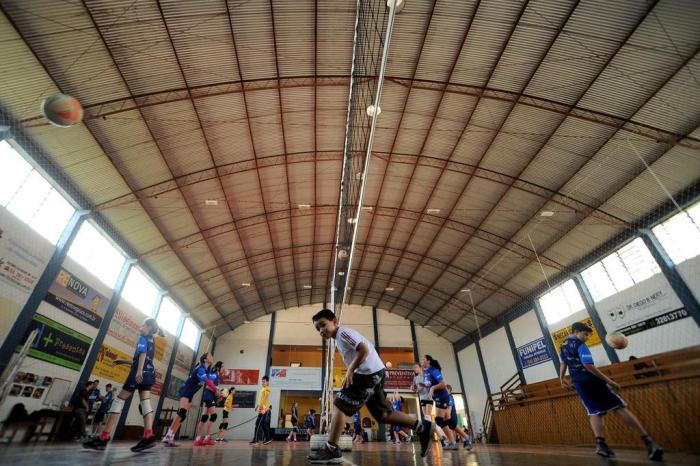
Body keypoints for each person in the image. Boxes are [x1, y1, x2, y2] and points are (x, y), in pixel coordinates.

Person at [306, 309, 435, 463]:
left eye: (323, 325)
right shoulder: (340, 337)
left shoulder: (342, 333)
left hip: (367, 374)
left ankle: (331, 449)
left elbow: (364, 350)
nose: (321, 330)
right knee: (383, 415)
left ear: (334, 321)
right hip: (376, 373)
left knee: (339, 406)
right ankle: (422, 427)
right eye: (317, 328)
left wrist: (350, 370)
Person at [559, 322, 663, 461]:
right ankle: (649, 442)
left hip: (579, 383)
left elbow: (563, 362)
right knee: (619, 407)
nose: (587, 338)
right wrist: (609, 380)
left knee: (595, 412)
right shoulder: (580, 345)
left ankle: (601, 445)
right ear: (576, 331)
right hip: (593, 381)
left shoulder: (563, 344)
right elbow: (588, 365)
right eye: (585, 334)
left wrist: (561, 378)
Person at [83, 318, 164, 452]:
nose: (140, 327)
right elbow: (142, 358)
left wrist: (138, 371)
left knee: (118, 401)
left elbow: (142, 355)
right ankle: (148, 436)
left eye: (143, 325)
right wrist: (123, 361)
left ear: (149, 327)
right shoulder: (152, 340)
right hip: (149, 373)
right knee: (145, 403)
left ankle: (103, 437)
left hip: (139, 373)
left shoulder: (143, 338)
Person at [162, 352, 217, 447]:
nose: (212, 357)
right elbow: (207, 381)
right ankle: (168, 436)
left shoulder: (207, 370)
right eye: (210, 356)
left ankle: (170, 436)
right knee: (182, 412)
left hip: (191, 393)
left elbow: (211, 378)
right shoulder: (200, 369)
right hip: (186, 390)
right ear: (205, 359)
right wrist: (216, 390)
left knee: (182, 416)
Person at [422, 354, 457, 450]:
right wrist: (420, 386)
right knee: (442, 421)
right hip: (437, 398)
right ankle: (455, 441)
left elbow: (443, 383)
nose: (422, 361)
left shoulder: (433, 370)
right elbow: (427, 385)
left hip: (443, 396)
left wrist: (433, 388)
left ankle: (455, 441)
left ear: (428, 361)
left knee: (441, 420)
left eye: (424, 359)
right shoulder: (425, 373)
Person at [194, 361, 224, 446]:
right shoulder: (215, 375)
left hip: (209, 396)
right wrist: (218, 392)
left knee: (204, 417)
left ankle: (198, 439)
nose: (223, 369)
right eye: (222, 367)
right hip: (209, 396)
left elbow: (213, 388)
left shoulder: (216, 375)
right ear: (218, 368)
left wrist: (218, 393)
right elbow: (208, 386)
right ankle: (207, 438)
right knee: (213, 416)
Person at [445, 385, 470, 449]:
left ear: (449, 390)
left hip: (452, 415)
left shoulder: (450, 397)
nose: (444, 391)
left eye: (445, 390)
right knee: (453, 429)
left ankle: (466, 439)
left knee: (455, 428)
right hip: (450, 415)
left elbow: (450, 407)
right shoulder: (447, 397)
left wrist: (448, 415)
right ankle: (455, 443)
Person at [250, 375, 272, 445]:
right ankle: (268, 438)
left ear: (267, 382)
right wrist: (257, 406)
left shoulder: (267, 388)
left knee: (258, 423)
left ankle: (255, 440)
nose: (263, 383)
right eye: (262, 382)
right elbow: (261, 399)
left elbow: (265, 397)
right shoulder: (262, 389)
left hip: (264, 408)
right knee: (262, 424)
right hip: (262, 407)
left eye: (264, 382)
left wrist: (262, 406)